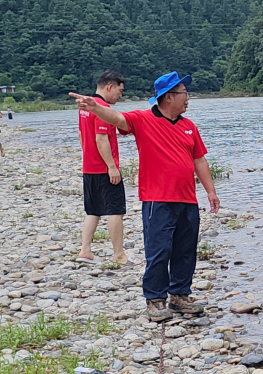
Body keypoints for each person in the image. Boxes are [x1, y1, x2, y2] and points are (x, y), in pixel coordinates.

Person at [70, 72, 220, 322]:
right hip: (157, 200)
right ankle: (155, 299)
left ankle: (180, 295)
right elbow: (116, 118)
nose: (188, 98)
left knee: (185, 250)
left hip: (187, 200)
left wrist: (211, 191)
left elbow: (199, 159)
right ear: (169, 97)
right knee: (159, 250)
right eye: (184, 93)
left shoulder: (188, 126)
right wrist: (95, 106)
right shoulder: (143, 119)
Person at [78, 71, 130, 264]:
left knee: (93, 210)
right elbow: (101, 139)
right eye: (120, 90)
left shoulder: (85, 106)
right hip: (103, 169)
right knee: (116, 210)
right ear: (110, 87)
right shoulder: (102, 108)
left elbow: (82, 135)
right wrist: (112, 167)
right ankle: (119, 254)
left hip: (89, 167)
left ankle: (85, 250)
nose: (120, 95)